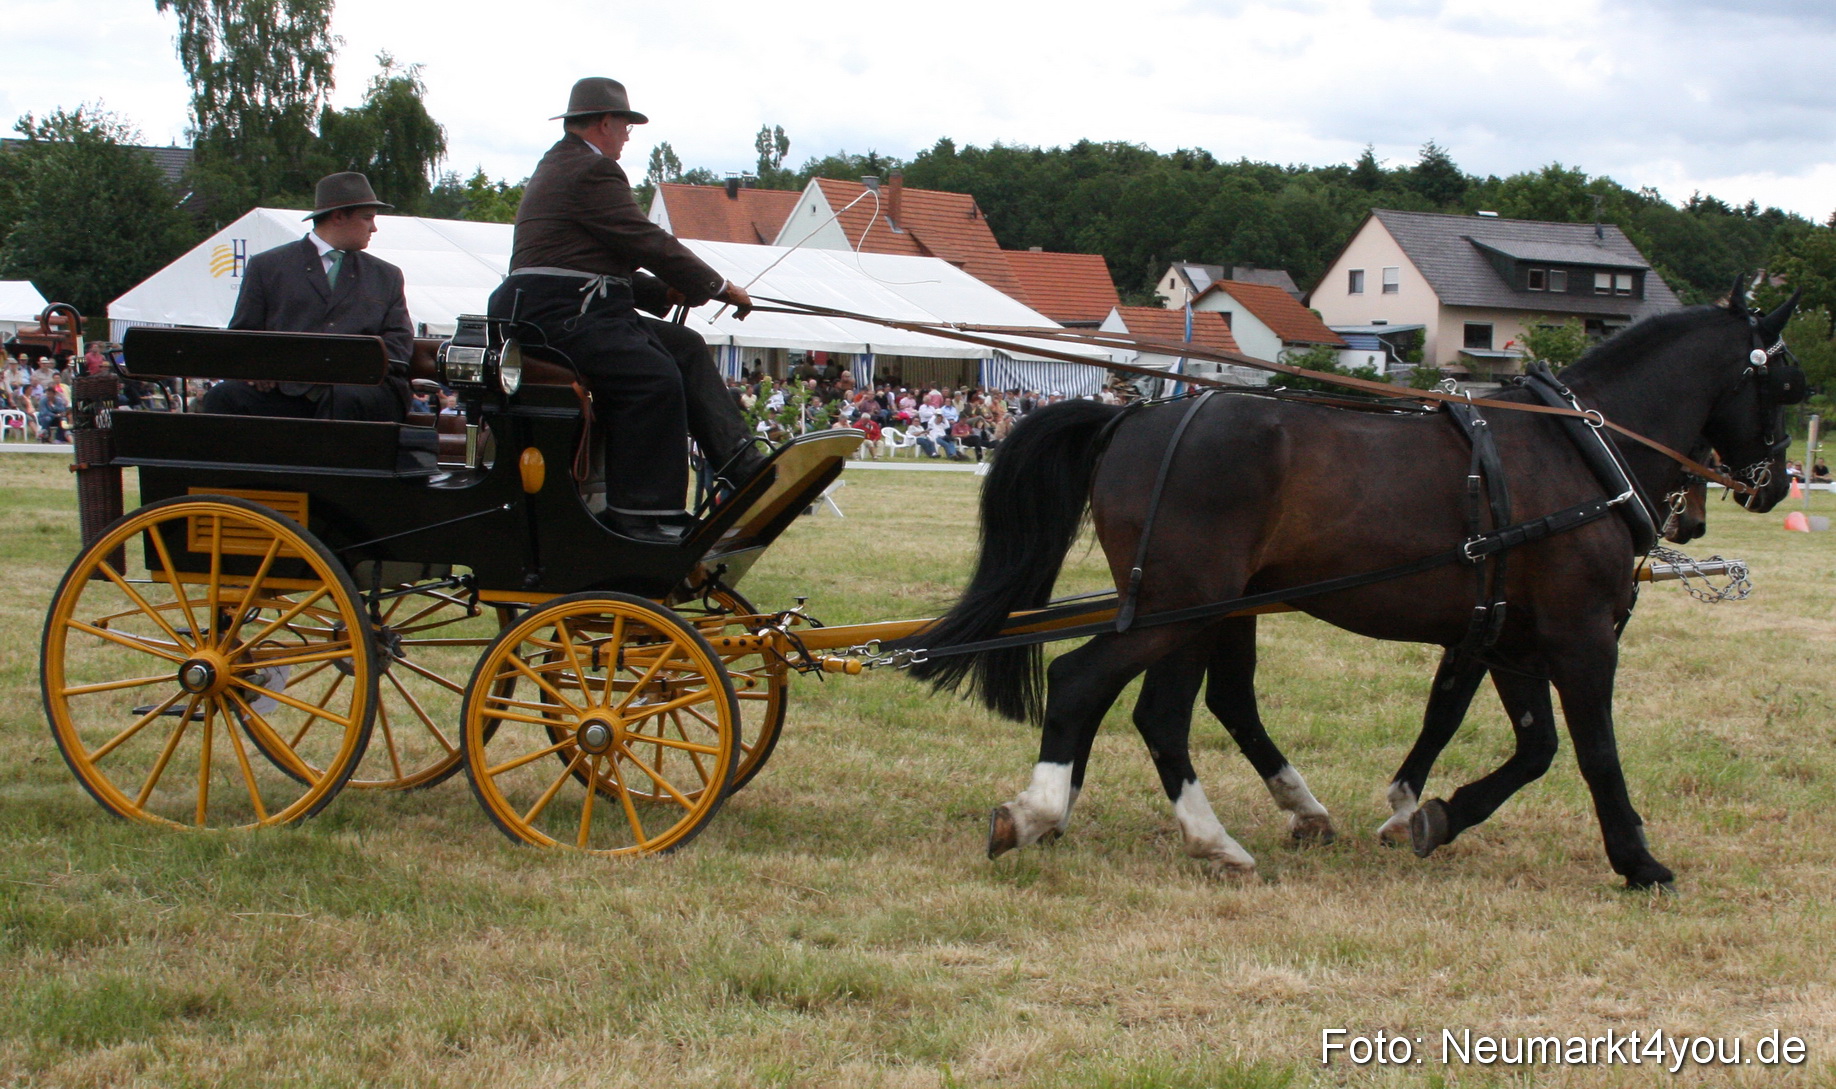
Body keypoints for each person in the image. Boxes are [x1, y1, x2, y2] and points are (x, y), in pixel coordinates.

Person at [488, 77, 765, 543]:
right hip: (557, 313)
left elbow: (585, 260)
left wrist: (662, 293)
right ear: (603, 122)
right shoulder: (590, 171)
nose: (628, 135)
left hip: (563, 307)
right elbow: (646, 240)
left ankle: (744, 466)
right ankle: (641, 515)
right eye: (625, 125)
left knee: (685, 346)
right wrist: (717, 286)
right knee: (651, 377)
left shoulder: (562, 166)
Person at [199, 172, 413, 422]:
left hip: (359, 391)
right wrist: (257, 368)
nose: (373, 228)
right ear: (338, 216)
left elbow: (398, 344)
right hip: (285, 391)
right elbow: (243, 337)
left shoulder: (385, 275)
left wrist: (346, 369)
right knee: (223, 396)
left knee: (344, 397)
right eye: (367, 218)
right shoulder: (268, 267)